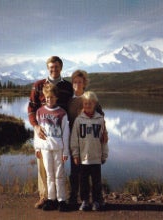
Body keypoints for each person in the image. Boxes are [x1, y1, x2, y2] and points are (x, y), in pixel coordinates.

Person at [27, 56, 73, 208]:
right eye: (51, 67)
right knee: (44, 168)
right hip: (43, 132)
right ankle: (45, 196)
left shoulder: (67, 86)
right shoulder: (39, 85)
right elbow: (31, 108)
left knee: (59, 171)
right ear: (48, 68)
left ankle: (61, 198)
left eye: (57, 67)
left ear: (61, 68)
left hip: (60, 134)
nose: (54, 69)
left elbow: (72, 105)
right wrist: (35, 126)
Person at [67, 70, 107, 209]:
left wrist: (105, 133)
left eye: (80, 81)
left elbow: (101, 117)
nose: (77, 84)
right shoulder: (69, 100)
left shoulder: (90, 98)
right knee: (75, 172)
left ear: (85, 83)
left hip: (90, 140)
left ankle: (97, 199)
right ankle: (74, 197)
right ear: (72, 84)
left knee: (94, 175)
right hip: (74, 140)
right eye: (75, 82)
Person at [34, 84, 69, 212]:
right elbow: (37, 131)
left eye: (52, 97)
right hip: (45, 148)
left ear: (56, 97)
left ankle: (61, 200)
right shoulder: (40, 112)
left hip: (58, 147)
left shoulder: (62, 113)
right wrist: (37, 148)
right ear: (44, 97)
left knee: (59, 174)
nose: (49, 100)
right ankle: (51, 199)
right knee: (49, 174)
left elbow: (66, 133)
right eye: (47, 97)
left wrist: (66, 151)